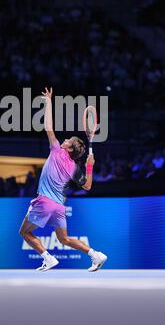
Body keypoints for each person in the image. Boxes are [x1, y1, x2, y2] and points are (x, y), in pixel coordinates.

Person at [19, 87, 107, 272]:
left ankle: (48, 258)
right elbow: (88, 186)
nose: (65, 139)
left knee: (24, 231)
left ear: (67, 148)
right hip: (58, 205)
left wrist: (49, 102)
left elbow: (48, 127)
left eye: (68, 140)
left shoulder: (57, 150)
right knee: (64, 239)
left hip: (45, 201)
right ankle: (95, 255)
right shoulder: (75, 167)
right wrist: (89, 166)